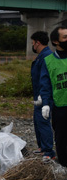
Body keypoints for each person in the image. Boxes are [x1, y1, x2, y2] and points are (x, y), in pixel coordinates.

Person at [40, 25, 67, 167]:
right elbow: (45, 84)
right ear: (56, 41)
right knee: (61, 138)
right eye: (65, 37)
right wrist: (45, 103)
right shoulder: (48, 61)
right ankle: (64, 165)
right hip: (60, 106)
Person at [30, 31, 55, 159]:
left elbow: (46, 79)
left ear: (37, 43)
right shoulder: (42, 56)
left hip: (44, 95)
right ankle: (41, 147)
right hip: (39, 94)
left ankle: (48, 151)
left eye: (33, 43)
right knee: (38, 121)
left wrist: (43, 96)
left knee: (43, 121)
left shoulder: (47, 56)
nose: (32, 46)